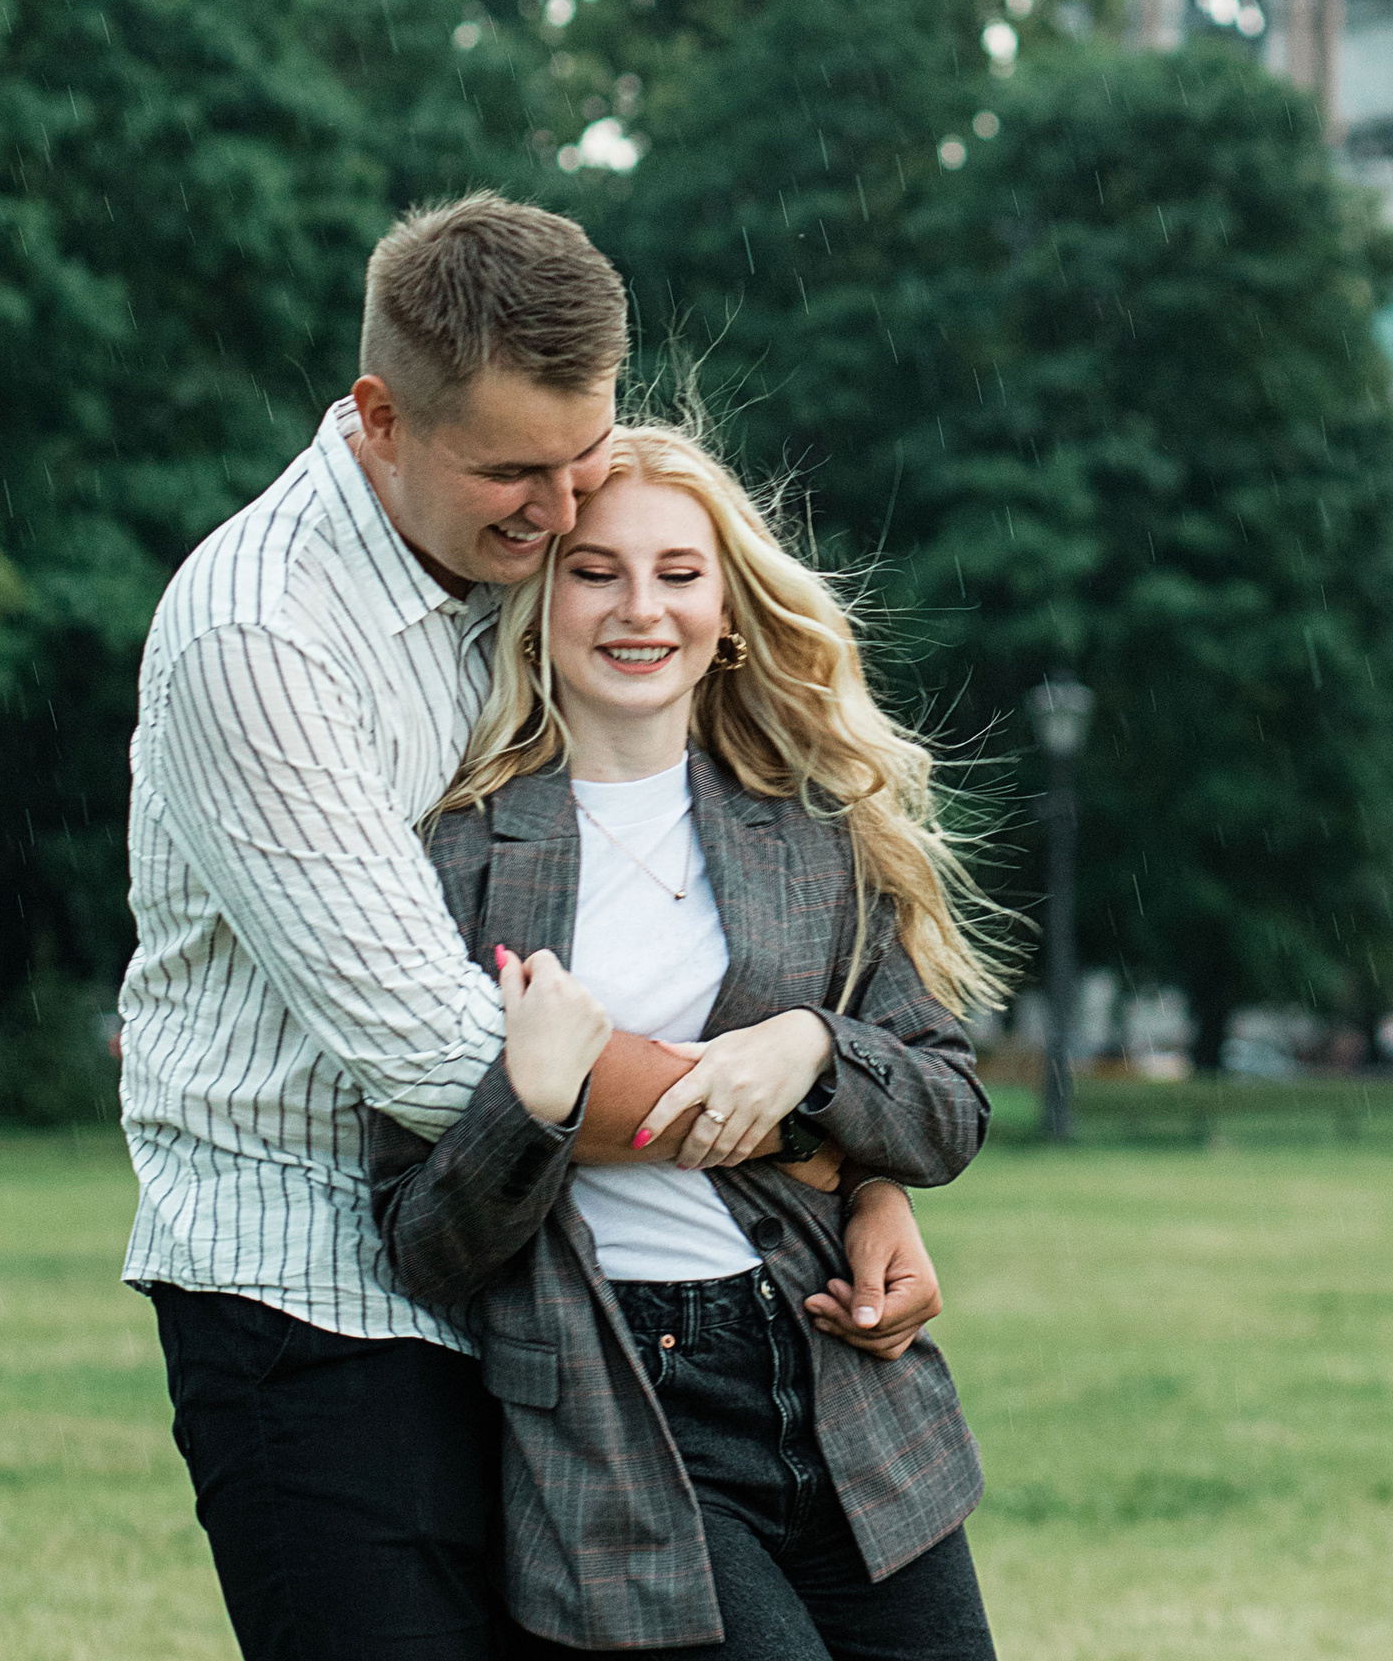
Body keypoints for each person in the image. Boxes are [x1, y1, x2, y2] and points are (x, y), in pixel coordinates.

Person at [122, 193, 940, 1661]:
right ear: (380, 416)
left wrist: (869, 1178)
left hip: (541, 1304)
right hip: (313, 1294)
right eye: (518, 474)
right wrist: (821, 1125)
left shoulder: (512, 547)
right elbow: (447, 1062)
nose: (566, 514)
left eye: (584, 459)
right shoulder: (264, 636)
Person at [369, 417, 1008, 1658]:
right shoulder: (455, 860)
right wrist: (538, 1110)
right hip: (621, 1412)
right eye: (595, 571)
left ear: (725, 614)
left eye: (678, 573)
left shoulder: (811, 836)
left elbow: (947, 1106)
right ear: (540, 600)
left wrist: (814, 1054)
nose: (637, 609)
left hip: (837, 1377)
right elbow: (421, 1245)